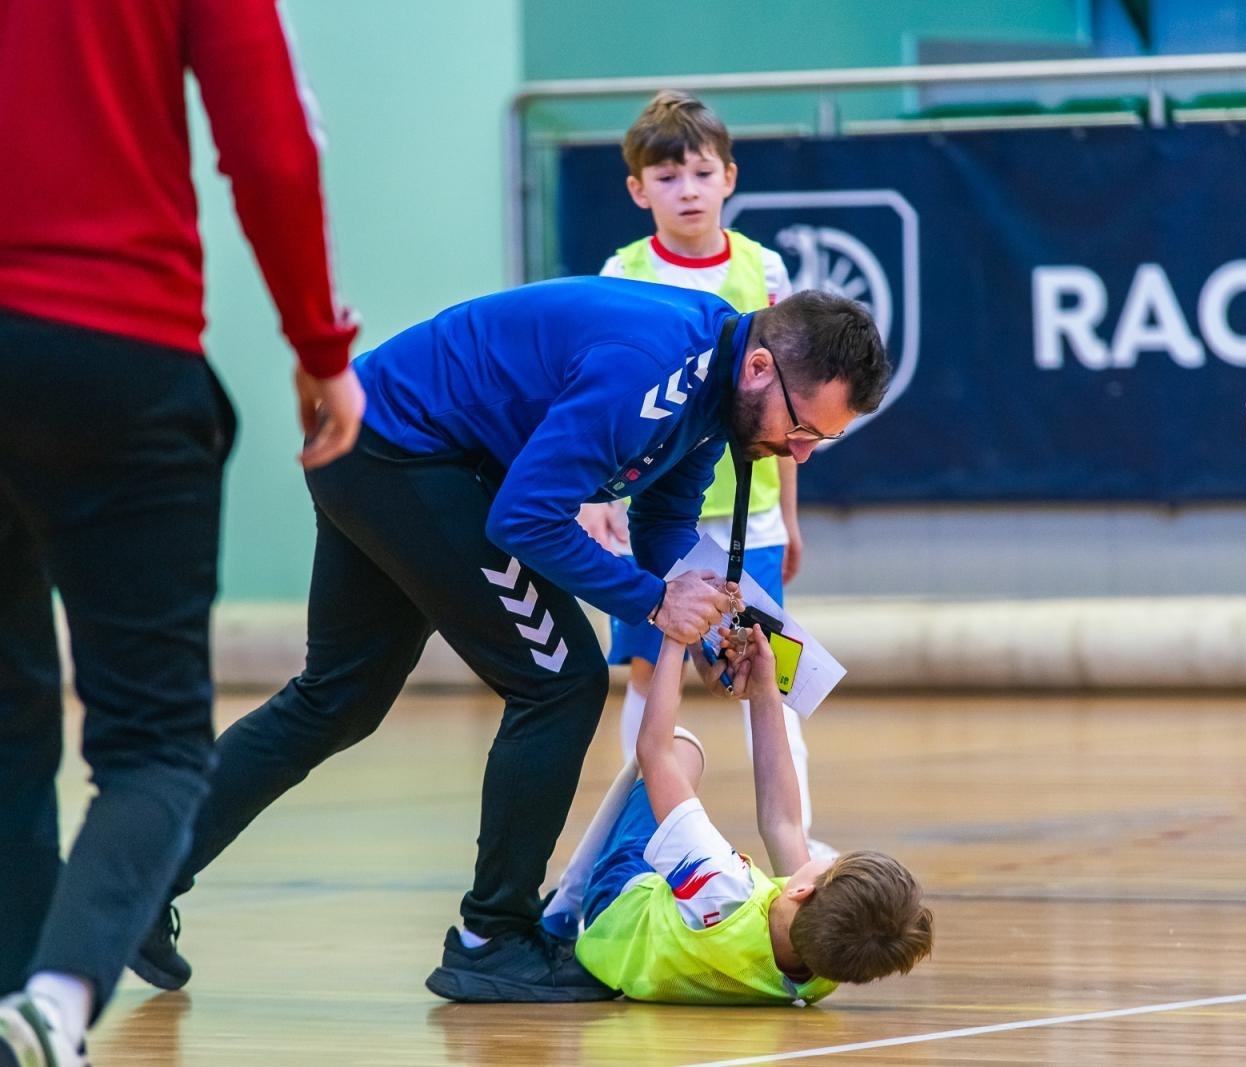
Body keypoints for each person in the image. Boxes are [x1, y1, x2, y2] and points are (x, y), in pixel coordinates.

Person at [127, 277, 892, 1003]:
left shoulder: (716, 391)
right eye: (801, 429)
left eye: (818, 441)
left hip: (374, 441)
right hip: (405, 454)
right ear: (759, 368)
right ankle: (492, 935)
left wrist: (711, 631)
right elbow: (525, 519)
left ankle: (140, 880)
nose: (799, 453)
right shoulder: (654, 372)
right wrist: (658, 601)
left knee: (336, 699)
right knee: (562, 681)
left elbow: (662, 524)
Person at [0, 3, 364, 1063]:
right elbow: (272, 144)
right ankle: (54, 1001)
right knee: (154, 742)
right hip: (115, 352)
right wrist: (319, 344)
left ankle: (27, 1022)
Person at [577, 90, 832, 857]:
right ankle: (642, 842)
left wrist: (788, 518)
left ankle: (797, 842)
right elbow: (598, 398)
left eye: (700, 172)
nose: (686, 190)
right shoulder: (622, 271)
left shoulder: (764, 268)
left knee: (770, 670)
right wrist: (598, 500)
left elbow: (787, 410)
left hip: (747, 520)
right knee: (647, 668)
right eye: (666, 177)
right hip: (649, 519)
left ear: (729, 177)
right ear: (637, 189)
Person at [539, 625, 933, 1004]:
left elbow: (654, 751)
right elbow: (782, 822)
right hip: (646, 965)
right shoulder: (817, 975)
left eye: (831, 862)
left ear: (803, 891)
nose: (823, 858)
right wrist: (765, 691)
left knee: (683, 751)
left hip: (611, 917)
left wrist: (675, 638)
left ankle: (565, 908)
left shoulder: (720, 885)